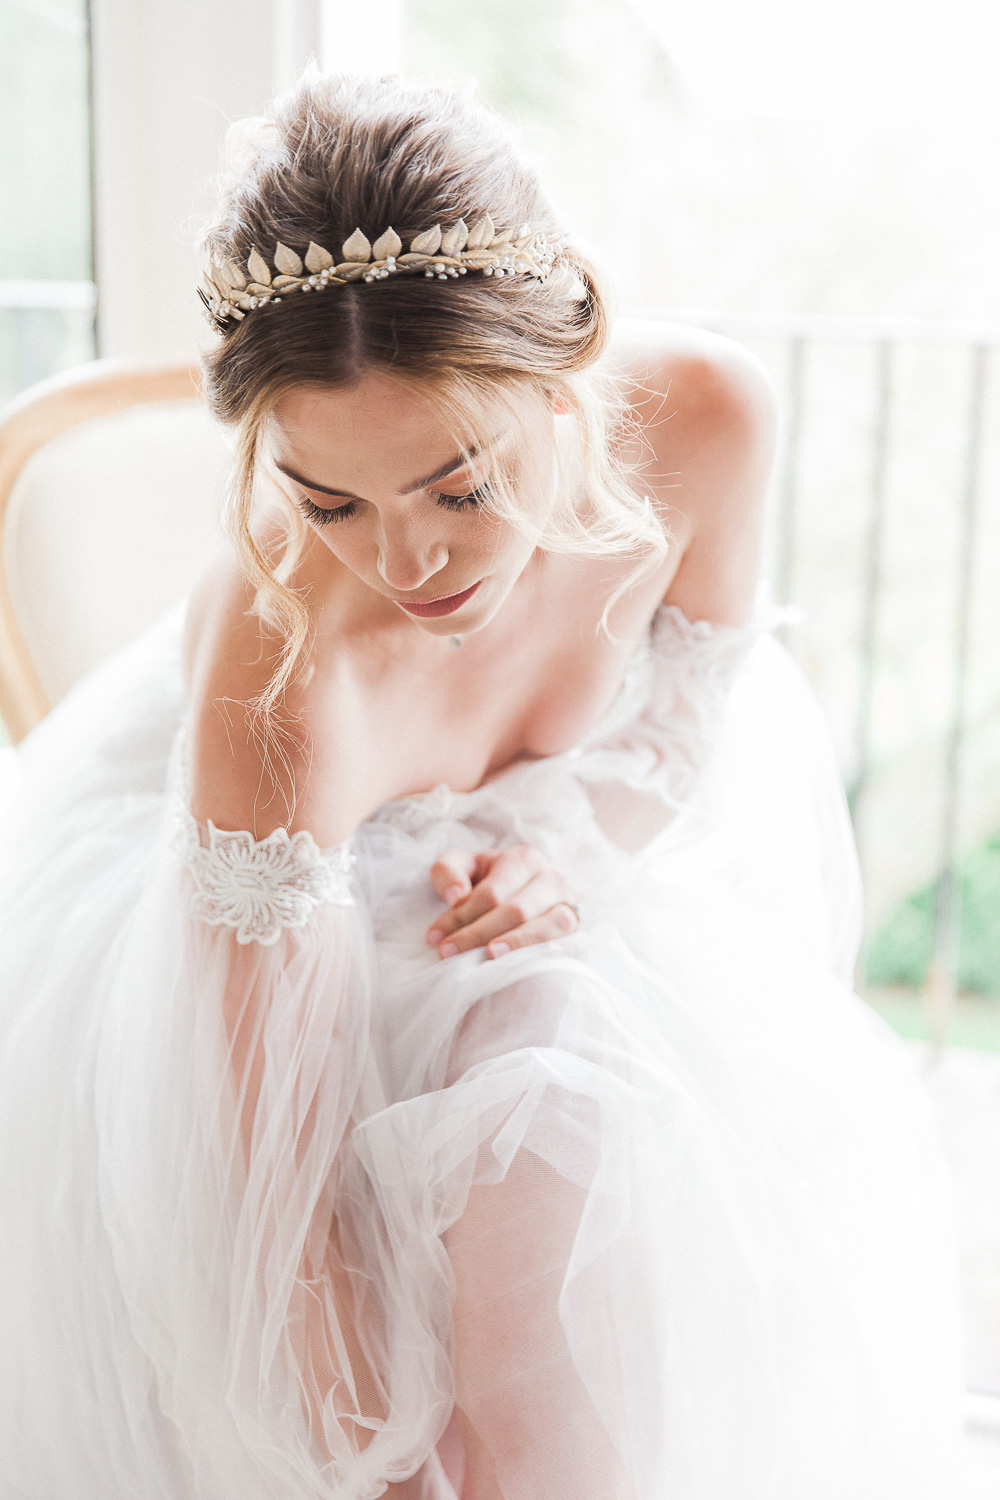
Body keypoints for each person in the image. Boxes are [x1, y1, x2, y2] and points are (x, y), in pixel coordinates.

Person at [0, 70, 966, 1500]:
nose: (412, 565)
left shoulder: (706, 417)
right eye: (330, 504)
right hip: (267, 926)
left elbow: (684, 718)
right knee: (519, 1100)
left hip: (518, 883)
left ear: (563, 372)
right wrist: (384, 1460)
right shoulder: (290, 687)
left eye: (460, 484)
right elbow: (275, 1185)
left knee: (582, 1072)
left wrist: (578, 850)